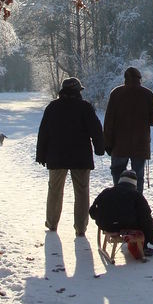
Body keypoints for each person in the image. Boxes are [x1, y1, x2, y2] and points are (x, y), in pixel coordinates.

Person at [36, 76, 105, 236]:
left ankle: (52, 223)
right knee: (81, 192)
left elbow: (43, 132)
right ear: (77, 91)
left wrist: (41, 154)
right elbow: (95, 129)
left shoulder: (52, 107)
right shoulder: (84, 107)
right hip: (80, 156)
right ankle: (80, 228)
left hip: (56, 156)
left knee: (54, 190)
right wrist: (99, 148)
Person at [103, 66, 153, 193]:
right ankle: (137, 204)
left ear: (125, 78)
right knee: (138, 177)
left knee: (117, 174)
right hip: (140, 145)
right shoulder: (147, 94)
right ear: (139, 79)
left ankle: (119, 202)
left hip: (119, 145)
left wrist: (107, 143)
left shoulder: (116, 93)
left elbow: (108, 122)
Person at [89, 169, 153, 259]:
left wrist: (103, 218)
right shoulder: (137, 195)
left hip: (107, 225)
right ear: (134, 184)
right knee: (141, 220)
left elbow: (92, 212)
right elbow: (146, 219)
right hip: (128, 226)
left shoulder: (106, 192)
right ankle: (142, 246)